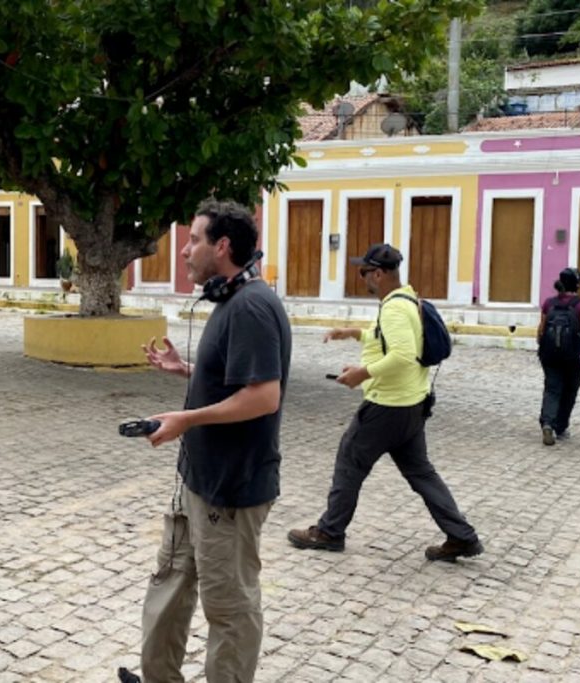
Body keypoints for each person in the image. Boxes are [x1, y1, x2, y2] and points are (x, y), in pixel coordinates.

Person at [119, 199, 291, 683]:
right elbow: (238, 381)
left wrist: (187, 419)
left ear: (222, 246)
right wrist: (187, 371)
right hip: (197, 479)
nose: (183, 251)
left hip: (231, 489)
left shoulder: (254, 306)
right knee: (170, 582)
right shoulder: (231, 301)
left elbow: (263, 397)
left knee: (230, 608)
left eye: (193, 240)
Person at [288, 243, 483, 563]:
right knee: (422, 474)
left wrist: (362, 374)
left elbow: (403, 355)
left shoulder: (393, 308)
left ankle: (330, 531)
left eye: (364, 271)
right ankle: (462, 536)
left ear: (378, 273)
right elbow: (390, 341)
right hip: (411, 406)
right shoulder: (408, 300)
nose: (362, 277)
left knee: (350, 460)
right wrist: (353, 333)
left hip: (387, 407)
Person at [536, 267, 580, 446]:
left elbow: (541, 328)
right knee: (570, 390)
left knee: (552, 388)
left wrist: (542, 346)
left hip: (550, 354)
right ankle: (560, 426)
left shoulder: (549, 303)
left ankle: (547, 423)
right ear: (578, 284)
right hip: (574, 355)